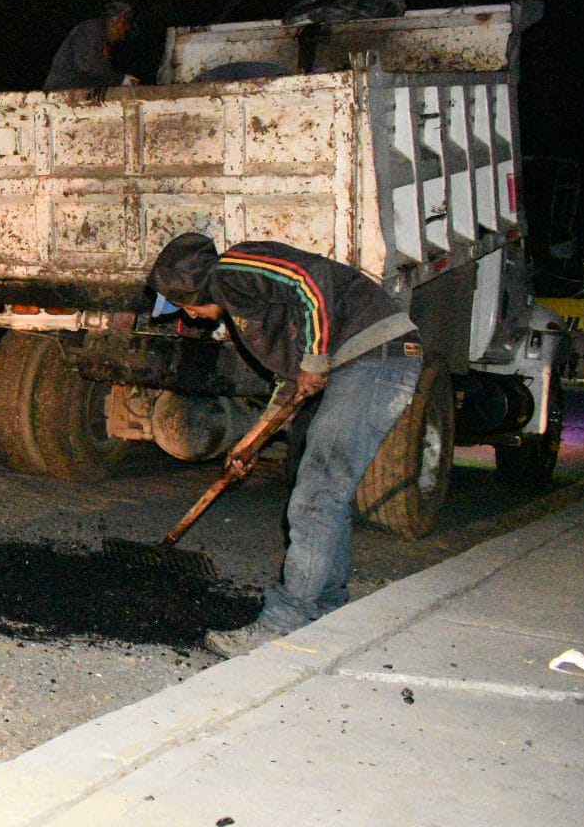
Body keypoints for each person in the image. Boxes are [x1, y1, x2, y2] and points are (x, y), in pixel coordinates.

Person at [147, 232, 422, 657]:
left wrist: (314, 358)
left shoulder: (237, 268)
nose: (192, 316)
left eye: (186, 305)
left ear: (195, 286)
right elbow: (289, 387)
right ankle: (326, 605)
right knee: (324, 491)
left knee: (319, 491)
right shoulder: (243, 312)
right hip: (360, 362)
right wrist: (249, 444)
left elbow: (310, 281)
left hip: (375, 356)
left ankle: (284, 621)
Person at [43, 1, 140, 91]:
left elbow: (98, 74)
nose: (123, 36)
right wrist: (121, 80)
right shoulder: (90, 30)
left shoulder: (101, 38)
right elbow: (87, 68)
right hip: (60, 95)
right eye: (125, 29)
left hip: (75, 95)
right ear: (118, 20)